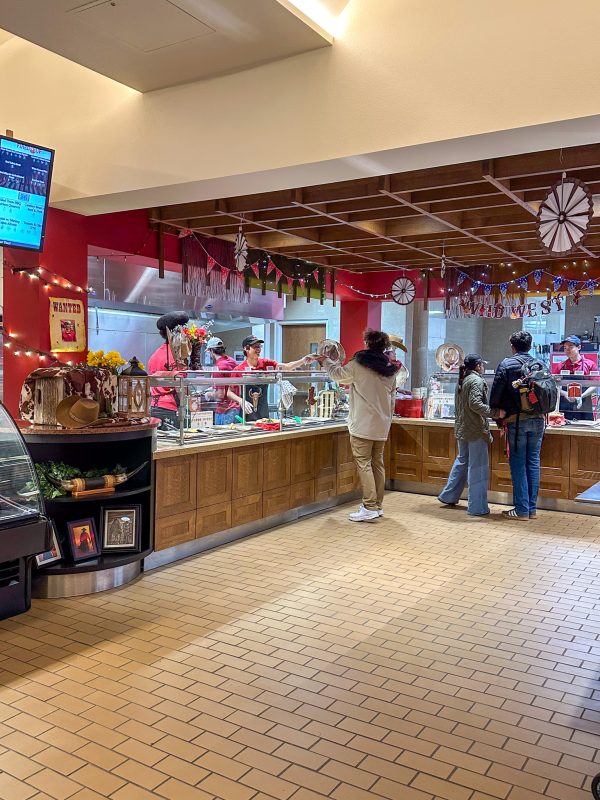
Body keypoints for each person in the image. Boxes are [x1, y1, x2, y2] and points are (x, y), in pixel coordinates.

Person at [319, 329, 399, 522]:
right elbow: (392, 397)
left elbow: (339, 375)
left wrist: (326, 361)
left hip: (363, 423)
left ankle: (369, 506)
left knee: (364, 464)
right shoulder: (391, 368)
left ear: (367, 343)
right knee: (377, 463)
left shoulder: (358, 364)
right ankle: (377, 505)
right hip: (382, 424)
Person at [489, 330, 544, 520]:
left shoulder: (506, 364)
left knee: (518, 464)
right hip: (539, 420)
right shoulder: (540, 363)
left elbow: (495, 395)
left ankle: (521, 510)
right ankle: (531, 509)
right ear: (530, 346)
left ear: (512, 347)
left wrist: (497, 417)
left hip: (516, 421)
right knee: (533, 462)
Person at [438, 354, 502, 516]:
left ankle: (449, 495)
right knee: (478, 467)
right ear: (478, 366)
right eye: (482, 365)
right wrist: (495, 413)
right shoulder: (476, 381)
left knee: (462, 461)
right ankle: (477, 507)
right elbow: (475, 404)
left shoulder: (464, 379)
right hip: (475, 429)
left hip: (462, 427)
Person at [237, 335, 312, 421]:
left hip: (263, 410)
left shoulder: (266, 363)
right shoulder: (239, 369)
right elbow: (229, 392)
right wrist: (241, 401)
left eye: (259, 346)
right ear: (246, 348)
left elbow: (286, 367)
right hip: (246, 411)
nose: (259, 349)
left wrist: (303, 360)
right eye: (255, 347)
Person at [148, 311, 196, 428]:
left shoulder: (155, 355)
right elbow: (180, 385)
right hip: (171, 409)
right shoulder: (177, 356)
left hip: (155, 407)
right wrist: (191, 406)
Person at [205, 337, 252, 424]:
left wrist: (208, 394)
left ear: (211, 351)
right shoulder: (232, 361)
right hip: (236, 408)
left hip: (225, 411)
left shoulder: (218, 368)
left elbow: (220, 394)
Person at [557, 335, 597, 421]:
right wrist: (565, 394)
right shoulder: (561, 365)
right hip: (565, 407)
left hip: (584, 407)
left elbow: (595, 385)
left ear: (579, 347)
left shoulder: (590, 364)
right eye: (565, 347)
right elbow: (554, 385)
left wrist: (581, 396)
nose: (567, 350)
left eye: (570, 347)